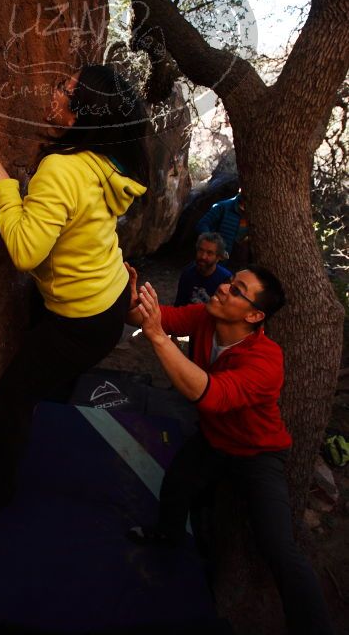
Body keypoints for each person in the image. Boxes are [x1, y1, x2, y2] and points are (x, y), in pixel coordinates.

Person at [0, 64, 149, 534]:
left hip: (80, 319)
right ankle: (50, 425)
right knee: (49, 378)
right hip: (108, 300)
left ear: (81, 112)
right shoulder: (104, 161)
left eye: (65, 89)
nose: (55, 92)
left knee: (13, 400)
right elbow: (90, 224)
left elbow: (25, 251)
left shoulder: (63, 167)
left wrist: (4, 187)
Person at [124, 265, 333, 635]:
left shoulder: (267, 361)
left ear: (254, 315)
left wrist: (158, 337)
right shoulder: (207, 317)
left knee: (278, 547)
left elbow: (207, 395)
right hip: (215, 439)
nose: (222, 287)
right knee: (176, 487)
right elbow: (154, 317)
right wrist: (132, 294)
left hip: (258, 454)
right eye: (229, 281)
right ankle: (168, 537)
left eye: (236, 289)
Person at [196, 191, 250, 270]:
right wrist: (215, 246)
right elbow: (202, 224)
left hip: (238, 264)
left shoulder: (257, 213)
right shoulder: (223, 207)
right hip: (216, 263)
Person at [174, 232, 231, 307]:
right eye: (201, 250)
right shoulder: (188, 274)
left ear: (218, 257)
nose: (203, 257)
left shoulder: (225, 279)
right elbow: (179, 305)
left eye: (209, 253)